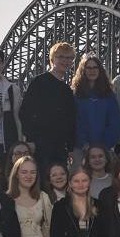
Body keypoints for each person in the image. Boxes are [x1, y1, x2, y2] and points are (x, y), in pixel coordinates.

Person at [19, 41, 77, 169]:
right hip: (40, 145)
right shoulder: (39, 82)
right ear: (52, 59)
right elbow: (25, 112)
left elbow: (70, 120)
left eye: (69, 58)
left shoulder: (67, 90)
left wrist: (70, 147)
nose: (65, 61)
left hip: (60, 147)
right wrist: (30, 139)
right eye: (61, 57)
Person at [72, 54, 120, 166]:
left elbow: (115, 123)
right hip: (81, 149)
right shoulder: (76, 95)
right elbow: (74, 122)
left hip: (104, 149)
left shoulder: (109, 95)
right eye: (88, 68)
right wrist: (84, 144)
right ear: (83, 71)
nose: (92, 71)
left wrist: (103, 145)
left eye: (95, 67)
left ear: (100, 70)